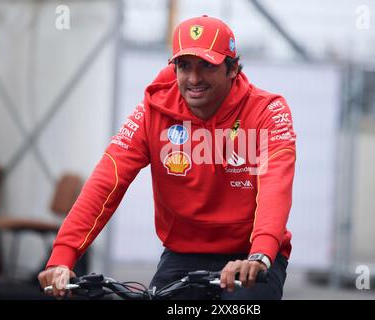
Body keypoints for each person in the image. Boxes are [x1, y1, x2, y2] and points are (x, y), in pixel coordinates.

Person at [38, 15, 296, 300]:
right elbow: (107, 180)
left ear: (232, 68)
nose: (194, 79)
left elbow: (276, 185)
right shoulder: (153, 110)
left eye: (207, 66)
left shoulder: (268, 111)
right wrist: (63, 256)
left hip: (249, 257)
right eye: (184, 66)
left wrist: (260, 255)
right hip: (183, 256)